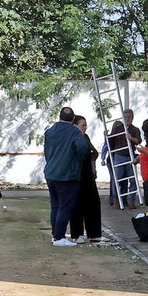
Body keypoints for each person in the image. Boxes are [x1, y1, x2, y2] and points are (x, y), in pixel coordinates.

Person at [43, 106, 91, 247]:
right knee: (65, 206)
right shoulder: (74, 132)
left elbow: (46, 151)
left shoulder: (50, 131)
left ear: (60, 116)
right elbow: (82, 147)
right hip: (67, 175)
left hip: (51, 172)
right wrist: (78, 160)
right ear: (73, 118)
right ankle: (59, 237)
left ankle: (55, 235)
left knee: (55, 205)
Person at [68, 114, 103, 244]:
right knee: (76, 204)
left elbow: (94, 152)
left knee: (93, 203)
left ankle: (94, 233)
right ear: (75, 126)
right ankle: (77, 234)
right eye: (82, 125)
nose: (84, 128)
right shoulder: (72, 139)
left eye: (85, 126)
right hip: (76, 175)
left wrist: (94, 166)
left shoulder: (85, 138)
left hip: (88, 175)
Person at [104, 108, 143, 207]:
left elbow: (138, 141)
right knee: (117, 179)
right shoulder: (118, 128)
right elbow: (110, 140)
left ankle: (131, 201)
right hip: (119, 156)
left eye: (129, 117)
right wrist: (106, 136)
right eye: (125, 117)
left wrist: (131, 138)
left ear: (132, 118)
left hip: (130, 156)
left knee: (133, 180)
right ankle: (117, 200)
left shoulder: (135, 129)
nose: (127, 119)